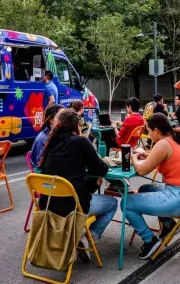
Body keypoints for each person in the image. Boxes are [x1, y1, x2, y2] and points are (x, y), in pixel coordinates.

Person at [38, 109, 117, 262]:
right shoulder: (80, 141)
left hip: (48, 206)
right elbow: (100, 169)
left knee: (88, 186)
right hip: (73, 208)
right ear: (77, 127)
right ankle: (88, 237)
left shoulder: (50, 142)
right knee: (112, 203)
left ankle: (79, 235)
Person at [124, 113, 180, 260]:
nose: (149, 134)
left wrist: (132, 157)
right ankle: (169, 225)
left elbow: (141, 170)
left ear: (157, 130)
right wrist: (147, 155)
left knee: (126, 203)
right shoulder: (175, 138)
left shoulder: (163, 144)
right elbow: (167, 156)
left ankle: (150, 240)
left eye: (149, 131)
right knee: (145, 188)